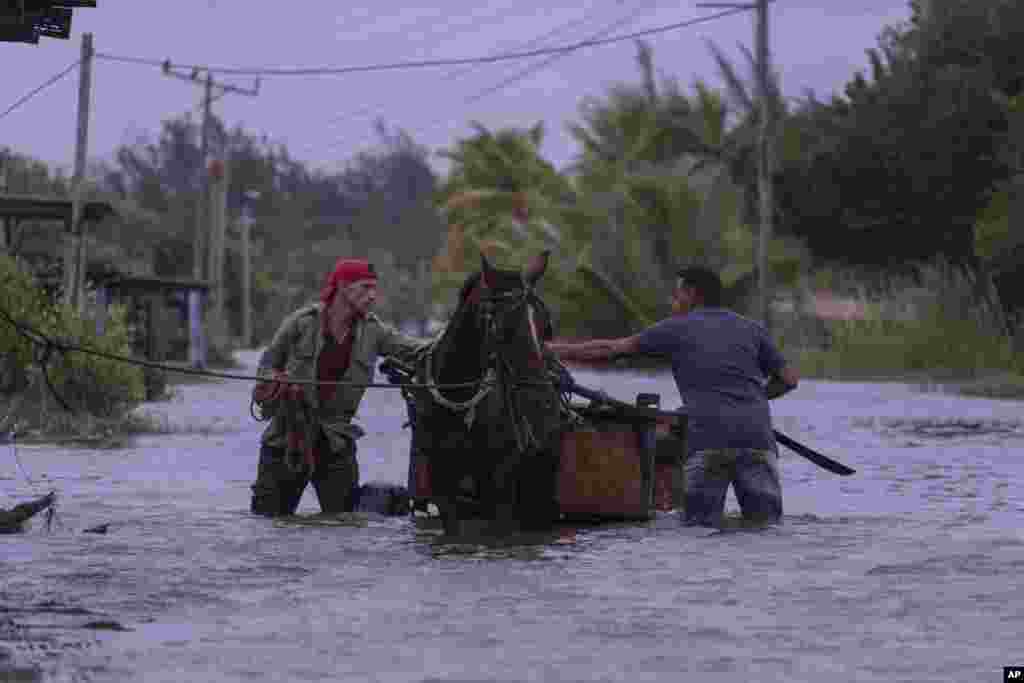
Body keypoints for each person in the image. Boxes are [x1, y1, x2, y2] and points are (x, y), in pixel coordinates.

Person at [545, 266, 799, 527]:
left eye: (676, 296)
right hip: (757, 439)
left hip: (708, 440)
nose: (673, 302)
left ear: (692, 294)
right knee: (765, 527)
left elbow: (610, 349)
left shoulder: (676, 329)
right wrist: (751, 399)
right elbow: (790, 379)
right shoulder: (752, 329)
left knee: (700, 531)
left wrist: (551, 350)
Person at [251, 258, 428, 517]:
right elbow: (266, 365)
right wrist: (274, 382)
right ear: (343, 287)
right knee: (268, 522)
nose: (372, 296)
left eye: (374, 289)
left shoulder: (374, 331)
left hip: (335, 442)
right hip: (287, 438)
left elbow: (417, 351)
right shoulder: (301, 323)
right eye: (366, 288)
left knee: (344, 525)